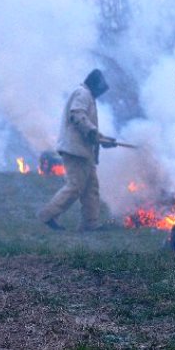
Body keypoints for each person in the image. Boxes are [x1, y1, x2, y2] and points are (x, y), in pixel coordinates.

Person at [37, 69, 117, 231]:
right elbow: (78, 115)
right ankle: (48, 215)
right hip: (75, 151)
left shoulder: (87, 95)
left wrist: (104, 140)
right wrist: (93, 133)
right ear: (94, 85)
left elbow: (89, 128)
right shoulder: (82, 93)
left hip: (83, 152)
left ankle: (89, 224)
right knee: (75, 186)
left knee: (91, 189)